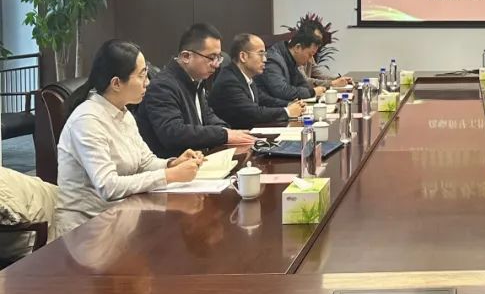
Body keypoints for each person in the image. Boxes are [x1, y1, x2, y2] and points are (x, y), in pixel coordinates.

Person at [55, 40, 206, 236]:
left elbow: (144, 162)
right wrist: (169, 176)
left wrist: (173, 164)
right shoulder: (87, 121)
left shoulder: (123, 112)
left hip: (121, 219)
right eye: (141, 75)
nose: (148, 82)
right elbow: (108, 186)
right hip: (86, 229)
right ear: (116, 83)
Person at [136, 24, 255, 156]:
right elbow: (173, 133)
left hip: (197, 159)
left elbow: (209, 117)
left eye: (218, 58)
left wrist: (227, 131)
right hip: (175, 164)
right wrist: (224, 134)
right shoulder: (162, 86)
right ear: (186, 56)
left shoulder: (196, 81)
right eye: (211, 57)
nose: (216, 64)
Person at [209, 34, 304, 130]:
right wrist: (287, 111)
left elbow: (264, 99)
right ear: (243, 57)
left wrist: (289, 104)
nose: (265, 59)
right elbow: (253, 113)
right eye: (261, 54)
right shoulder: (229, 81)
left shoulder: (245, 76)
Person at [258, 28, 326, 102]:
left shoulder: (290, 58)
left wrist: (312, 91)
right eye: (310, 55)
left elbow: (302, 84)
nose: (310, 60)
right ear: (297, 47)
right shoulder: (273, 60)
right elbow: (282, 91)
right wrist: (312, 92)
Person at [293, 17, 350, 89]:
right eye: (316, 39)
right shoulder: (297, 53)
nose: (318, 42)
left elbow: (318, 72)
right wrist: (332, 83)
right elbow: (304, 81)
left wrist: (337, 78)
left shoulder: (309, 52)